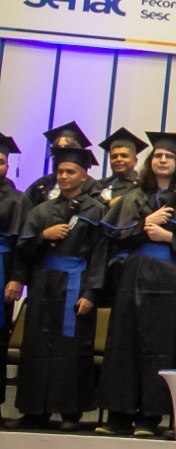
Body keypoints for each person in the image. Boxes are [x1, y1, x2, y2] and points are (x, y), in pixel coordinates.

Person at [97, 132, 176, 438]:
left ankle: (150, 417)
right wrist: (145, 226)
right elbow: (115, 235)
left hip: (170, 277)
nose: (163, 160)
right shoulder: (134, 196)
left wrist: (169, 237)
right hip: (133, 276)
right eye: (158, 156)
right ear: (150, 161)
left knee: (162, 344)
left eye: (169, 156)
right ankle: (119, 414)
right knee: (124, 341)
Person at [4, 146, 106, 431]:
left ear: (83, 176)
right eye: (60, 171)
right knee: (36, 346)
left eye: (70, 172)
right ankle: (34, 412)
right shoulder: (42, 210)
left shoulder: (95, 211)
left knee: (71, 349)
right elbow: (23, 249)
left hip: (75, 283)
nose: (63, 176)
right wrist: (42, 236)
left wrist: (90, 292)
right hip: (43, 285)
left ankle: (70, 413)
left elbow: (100, 255)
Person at [0, 133, 28, 408]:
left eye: (0, 161)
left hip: (2, 268)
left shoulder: (17, 200)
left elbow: (21, 243)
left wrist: (17, 278)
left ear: (8, 166)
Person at [25, 122, 100, 206]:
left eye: (68, 148)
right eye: (58, 149)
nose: (62, 153)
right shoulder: (42, 184)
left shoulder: (92, 187)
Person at [96, 128, 145, 206]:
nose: (118, 159)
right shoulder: (99, 186)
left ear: (135, 161)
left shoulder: (143, 185)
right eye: (114, 157)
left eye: (124, 156)